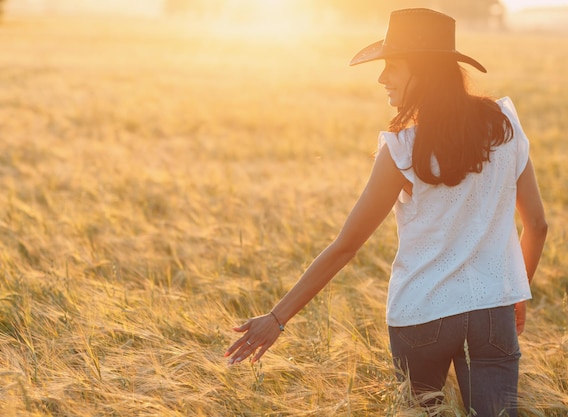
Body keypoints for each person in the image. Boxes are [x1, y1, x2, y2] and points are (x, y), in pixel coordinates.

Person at [224, 8, 547, 416]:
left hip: (421, 316)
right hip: (492, 314)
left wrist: (277, 317)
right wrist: (515, 292)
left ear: (424, 71)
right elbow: (536, 225)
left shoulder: (401, 151)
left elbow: (346, 246)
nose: (381, 79)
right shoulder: (505, 127)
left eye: (392, 66)